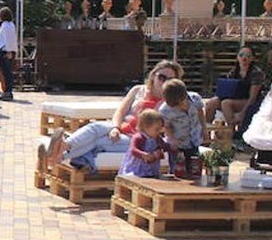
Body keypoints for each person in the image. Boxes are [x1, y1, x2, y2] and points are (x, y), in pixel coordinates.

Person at [44, 60, 184, 171]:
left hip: (139, 139)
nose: (164, 81)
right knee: (94, 127)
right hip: (122, 128)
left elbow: (166, 131)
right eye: (161, 77)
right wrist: (115, 128)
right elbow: (120, 112)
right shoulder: (138, 90)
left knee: (97, 142)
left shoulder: (170, 103)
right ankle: (64, 147)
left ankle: (57, 156)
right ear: (153, 76)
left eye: (169, 79)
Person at [204, 45, 265, 127]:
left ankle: (231, 131)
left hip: (250, 101)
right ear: (237, 57)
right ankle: (207, 131)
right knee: (211, 103)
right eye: (241, 55)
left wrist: (242, 113)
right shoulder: (234, 71)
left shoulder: (256, 73)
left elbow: (253, 98)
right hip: (235, 98)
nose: (244, 58)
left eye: (248, 56)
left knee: (226, 103)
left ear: (253, 58)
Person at [159, 78, 205, 154]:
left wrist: (204, 128)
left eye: (181, 103)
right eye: (176, 106)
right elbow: (167, 126)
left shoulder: (195, 99)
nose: (180, 107)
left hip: (196, 139)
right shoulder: (165, 111)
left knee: (195, 162)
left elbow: (200, 113)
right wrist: (172, 139)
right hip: (179, 144)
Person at [120, 109, 170, 178]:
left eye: (160, 129)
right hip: (137, 169)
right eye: (156, 129)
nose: (159, 131)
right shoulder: (139, 137)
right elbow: (133, 150)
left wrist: (167, 148)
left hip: (151, 167)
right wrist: (143, 155)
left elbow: (164, 146)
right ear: (145, 127)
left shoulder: (157, 138)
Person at [0, 6, 17, 100]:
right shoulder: (10, 25)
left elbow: (7, 40)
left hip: (5, 51)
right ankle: (7, 91)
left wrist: (9, 51)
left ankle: (7, 92)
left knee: (6, 73)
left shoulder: (6, 25)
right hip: (6, 50)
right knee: (7, 72)